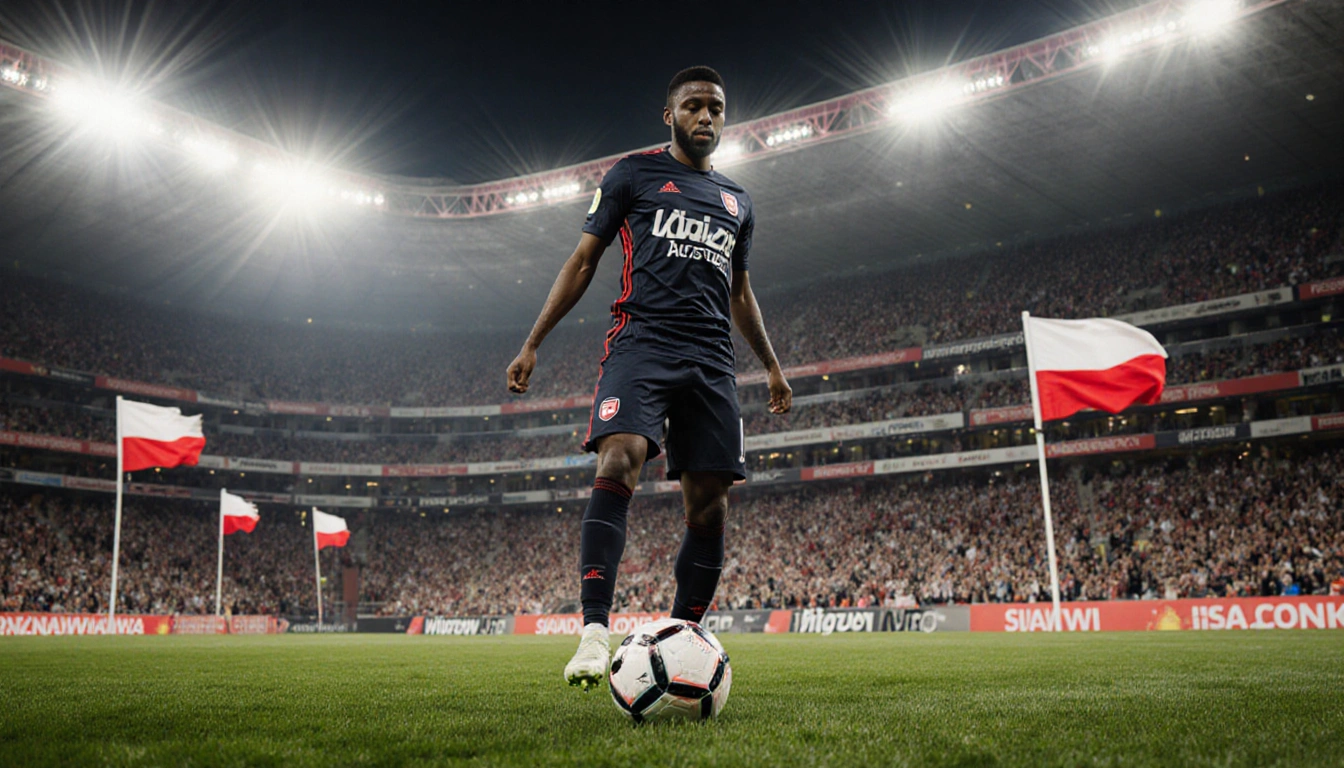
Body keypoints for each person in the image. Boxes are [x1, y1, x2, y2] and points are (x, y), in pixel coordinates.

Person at [506, 65, 791, 690]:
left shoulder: (738, 202)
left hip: (712, 358)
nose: (707, 117)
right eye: (693, 106)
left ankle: (686, 635)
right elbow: (583, 261)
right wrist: (533, 343)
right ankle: (592, 633)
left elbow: (741, 291)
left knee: (710, 503)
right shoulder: (632, 175)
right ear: (670, 115)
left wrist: (770, 363)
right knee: (620, 459)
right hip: (640, 343)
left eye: (716, 107)